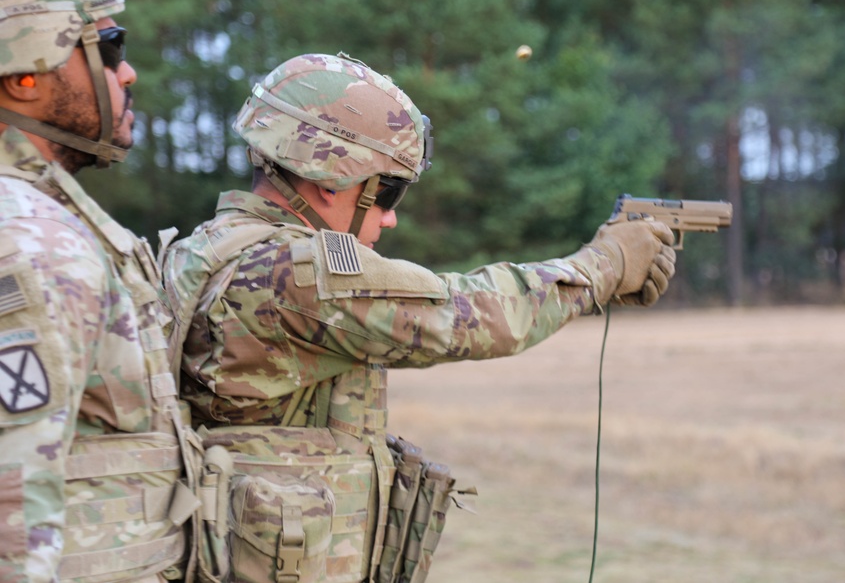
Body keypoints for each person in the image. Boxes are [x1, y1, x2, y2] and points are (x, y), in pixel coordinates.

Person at [162, 52, 676, 583]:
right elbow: (469, 314)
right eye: (386, 190)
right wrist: (602, 266)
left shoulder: (198, 251)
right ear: (332, 180)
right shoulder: (292, 273)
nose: (391, 215)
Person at [0, 0, 198, 582]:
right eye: (107, 47)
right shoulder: (28, 242)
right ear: (25, 74)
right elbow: (13, 523)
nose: (126, 70)